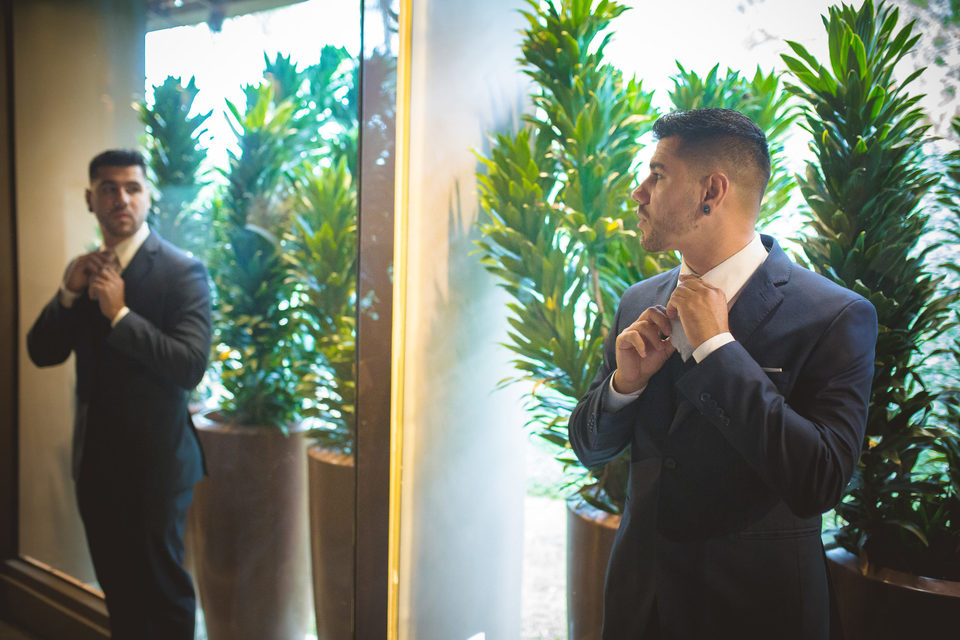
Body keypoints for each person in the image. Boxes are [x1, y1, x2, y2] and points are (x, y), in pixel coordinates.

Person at [568, 109, 877, 639]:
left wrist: (718, 349)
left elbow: (819, 480)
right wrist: (624, 387)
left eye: (656, 175)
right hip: (639, 608)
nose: (638, 193)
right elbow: (590, 448)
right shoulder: (639, 301)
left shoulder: (834, 315)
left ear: (711, 191)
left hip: (758, 615)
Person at [27, 149, 211, 639]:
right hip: (95, 468)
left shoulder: (183, 271)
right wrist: (68, 294)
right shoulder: (85, 271)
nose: (121, 199)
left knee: (164, 599)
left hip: (156, 471)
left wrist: (121, 317)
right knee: (121, 599)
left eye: (132, 188)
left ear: (148, 196)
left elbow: (190, 367)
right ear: (91, 200)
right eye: (108, 189)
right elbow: (41, 351)